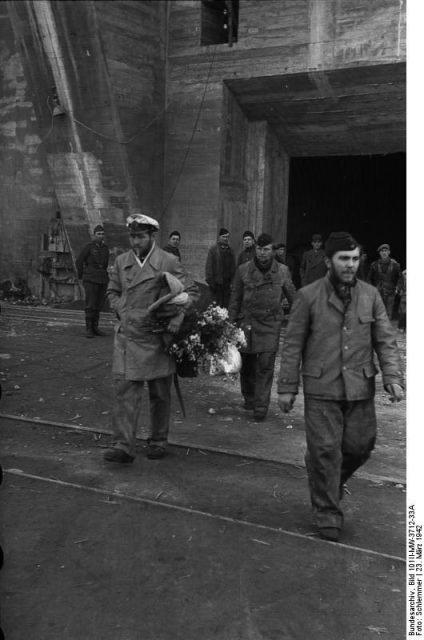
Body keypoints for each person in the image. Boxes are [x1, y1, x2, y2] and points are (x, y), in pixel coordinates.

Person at [277, 231, 403, 542]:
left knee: (360, 446)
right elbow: (292, 344)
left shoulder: (371, 295)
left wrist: (392, 376)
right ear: (329, 261)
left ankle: (326, 481)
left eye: (355, 259)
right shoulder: (307, 296)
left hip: (360, 384)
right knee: (325, 450)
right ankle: (327, 511)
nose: (350, 265)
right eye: (343, 259)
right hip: (321, 385)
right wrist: (287, 386)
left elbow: (385, 339)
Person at [103, 213, 198, 464]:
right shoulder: (122, 261)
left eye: (140, 237)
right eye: (132, 236)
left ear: (152, 236)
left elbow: (192, 292)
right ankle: (123, 445)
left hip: (157, 338)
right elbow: (112, 291)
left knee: (159, 392)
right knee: (124, 392)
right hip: (127, 337)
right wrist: (120, 308)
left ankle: (158, 440)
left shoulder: (168, 261)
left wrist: (178, 318)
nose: (135, 242)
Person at [229, 233, 296, 422]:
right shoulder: (243, 270)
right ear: (255, 249)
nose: (263, 253)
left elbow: (293, 297)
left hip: (270, 324)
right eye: (260, 249)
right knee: (247, 365)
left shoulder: (282, 271)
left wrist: (301, 321)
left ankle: (261, 406)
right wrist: (229, 324)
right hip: (247, 322)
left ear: (272, 250)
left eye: (266, 249)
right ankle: (249, 398)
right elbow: (235, 299)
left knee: (265, 366)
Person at [76, 224, 110, 338]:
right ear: (94, 235)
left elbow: (105, 265)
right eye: (98, 234)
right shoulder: (88, 247)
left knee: (98, 304)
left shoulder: (105, 248)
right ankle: (89, 329)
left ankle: (95, 328)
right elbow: (79, 261)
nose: (101, 236)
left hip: (102, 279)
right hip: (90, 278)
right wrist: (81, 276)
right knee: (90, 304)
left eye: (102, 234)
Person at [205, 227, 236, 308]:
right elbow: (209, 266)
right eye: (224, 237)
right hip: (216, 284)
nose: (225, 239)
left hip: (227, 284)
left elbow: (233, 268)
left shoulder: (231, 251)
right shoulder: (213, 250)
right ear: (219, 237)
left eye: (227, 237)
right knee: (216, 307)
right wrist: (211, 282)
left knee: (226, 306)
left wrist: (232, 282)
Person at [368, 243, 401, 319]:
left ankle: (386, 329)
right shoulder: (374, 265)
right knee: (378, 311)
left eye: (386, 250)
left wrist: (398, 287)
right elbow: (369, 278)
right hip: (378, 291)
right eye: (382, 251)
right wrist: (371, 288)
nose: (384, 252)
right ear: (379, 253)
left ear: (389, 252)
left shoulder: (395, 264)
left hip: (391, 291)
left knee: (389, 312)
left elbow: (400, 277)